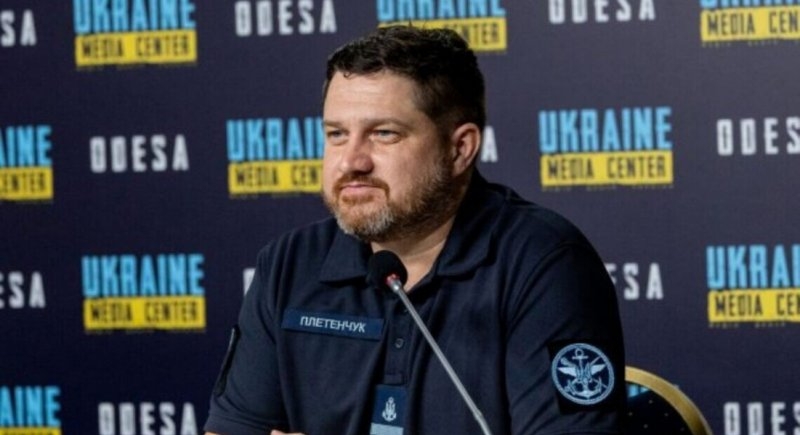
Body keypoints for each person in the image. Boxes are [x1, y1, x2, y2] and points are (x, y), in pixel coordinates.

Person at [204, 25, 625, 435]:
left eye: (384, 134)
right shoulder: (289, 264)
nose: (351, 161)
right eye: (337, 134)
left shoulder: (544, 263)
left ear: (460, 149)